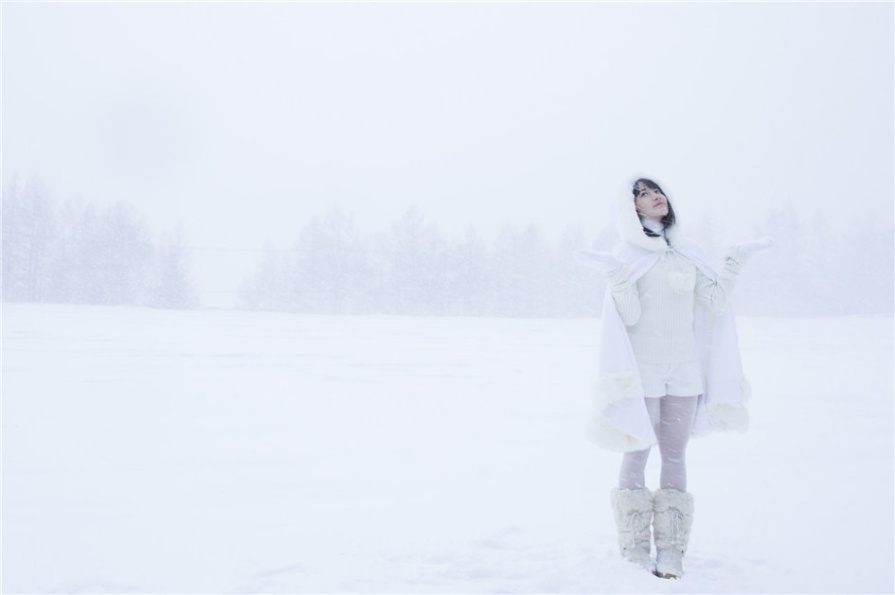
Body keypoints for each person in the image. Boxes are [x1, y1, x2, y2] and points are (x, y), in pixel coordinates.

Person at [574, 177, 771, 579]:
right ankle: (633, 545)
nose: (654, 197)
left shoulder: (687, 252)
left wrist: (734, 261)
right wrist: (616, 276)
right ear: (632, 210)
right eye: (642, 194)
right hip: (643, 373)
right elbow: (628, 316)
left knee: (675, 455)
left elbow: (714, 301)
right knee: (638, 451)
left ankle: (671, 549)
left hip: (684, 373)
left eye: (656, 190)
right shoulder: (629, 254)